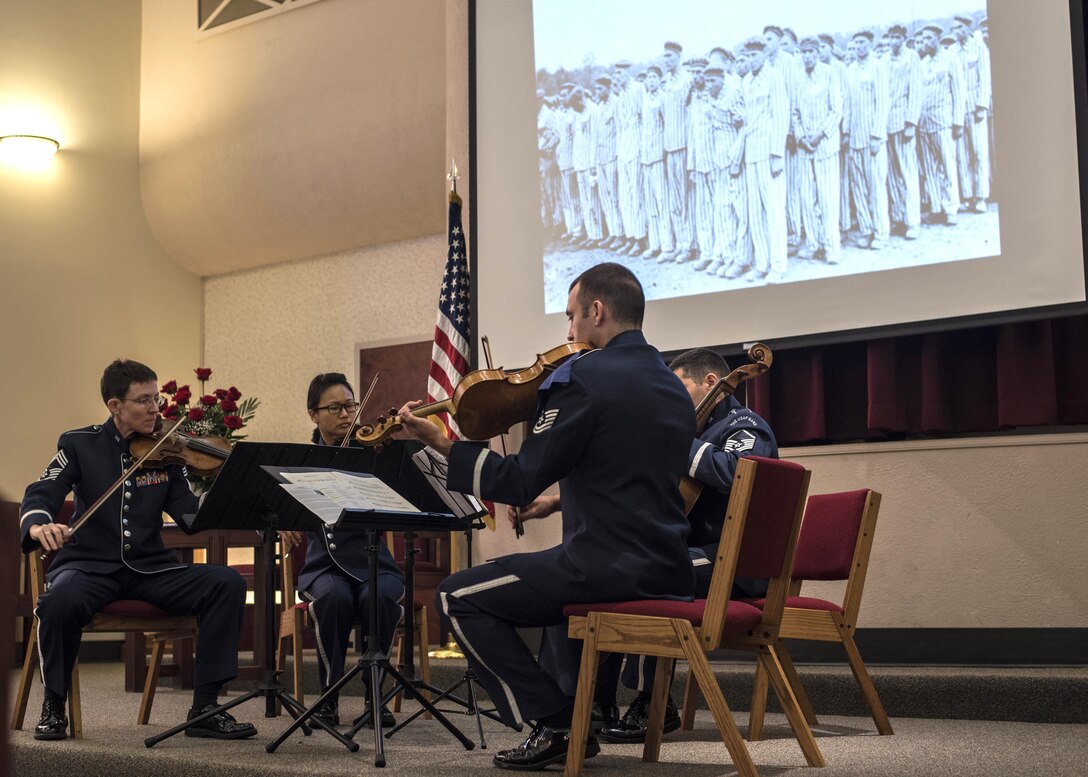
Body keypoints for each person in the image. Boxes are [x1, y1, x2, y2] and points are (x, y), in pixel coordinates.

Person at [399, 262, 695, 770]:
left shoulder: (584, 378)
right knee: (553, 581)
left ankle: (555, 722)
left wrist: (444, 445)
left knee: (456, 597)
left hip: (605, 570)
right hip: (668, 567)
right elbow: (627, 477)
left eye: (571, 316)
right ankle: (573, 721)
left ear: (597, 311)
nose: (568, 331)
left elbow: (516, 481)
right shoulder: (672, 386)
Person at [19, 359, 255, 741]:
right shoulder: (80, 444)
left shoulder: (165, 450)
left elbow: (189, 516)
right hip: (90, 566)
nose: (155, 409)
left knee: (225, 582)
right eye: (143, 401)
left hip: (151, 570)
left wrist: (225, 492)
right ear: (115, 406)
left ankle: (206, 708)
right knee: (57, 601)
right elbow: (42, 490)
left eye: (156, 399)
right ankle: (53, 705)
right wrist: (37, 522)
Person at [595, 347, 779, 743]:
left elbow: (740, 473)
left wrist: (679, 444)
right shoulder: (696, 431)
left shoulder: (744, 424)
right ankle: (599, 701)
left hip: (735, 564)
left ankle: (654, 703)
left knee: (651, 574)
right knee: (606, 572)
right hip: (701, 556)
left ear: (711, 382)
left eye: (681, 388)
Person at [278, 373, 404, 729]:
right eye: (335, 407)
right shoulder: (301, 461)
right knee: (333, 598)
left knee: (377, 595)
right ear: (313, 414)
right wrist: (280, 522)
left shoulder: (373, 454)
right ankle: (329, 697)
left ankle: (374, 697)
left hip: (375, 563)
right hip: (324, 569)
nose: (347, 415)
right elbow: (265, 506)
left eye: (351, 405)